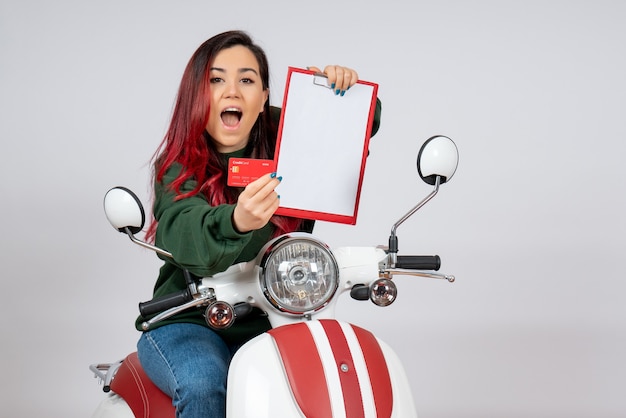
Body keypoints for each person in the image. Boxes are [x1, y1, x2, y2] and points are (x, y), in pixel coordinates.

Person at [135, 30, 381, 417]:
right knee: (203, 385)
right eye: (216, 80)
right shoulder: (178, 166)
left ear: (264, 97)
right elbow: (183, 228)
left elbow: (345, 132)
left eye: (246, 80)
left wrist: (340, 94)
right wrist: (236, 220)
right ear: (197, 94)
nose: (232, 91)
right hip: (190, 319)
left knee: (328, 379)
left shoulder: (291, 148)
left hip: (277, 313)